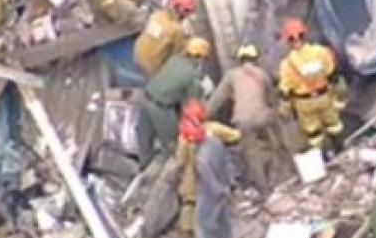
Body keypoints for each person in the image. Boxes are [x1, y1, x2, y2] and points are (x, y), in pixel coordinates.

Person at [207, 43, 282, 192]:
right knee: (274, 143)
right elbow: (271, 100)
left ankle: (264, 189)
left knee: (251, 153)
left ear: (240, 60)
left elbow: (217, 100)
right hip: (263, 117)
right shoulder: (262, 74)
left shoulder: (231, 76)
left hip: (244, 121)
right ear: (255, 59)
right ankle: (278, 176)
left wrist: (202, 115)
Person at [175, 101, 241, 238]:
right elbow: (234, 137)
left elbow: (181, 161)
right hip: (220, 182)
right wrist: (229, 185)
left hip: (204, 185)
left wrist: (219, 190)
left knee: (202, 225)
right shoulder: (215, 134)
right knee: (222, 218)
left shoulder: (193, 148)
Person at [137, 37, 210, 167]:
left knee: (144, 144)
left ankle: (142, 171)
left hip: (145, 99)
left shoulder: (174, 59)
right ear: (200, 57)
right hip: (161, 108)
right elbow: (191, 107)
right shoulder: (192, 75)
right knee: (173, 146)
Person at [276, 18, 347, 150]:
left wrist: (285, 110)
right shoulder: (321, 52)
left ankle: (323, 159)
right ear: (304, 35)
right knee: (334, 125)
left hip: (304, 103)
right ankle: (340, 149)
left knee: (313, 133)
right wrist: (340, 96)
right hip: (324, 96)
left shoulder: (286, 64)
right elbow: (333, 75)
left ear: (288, 41)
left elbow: (285, 91)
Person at [133, 0, 195, 78]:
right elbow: (179, 53)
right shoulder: (177, 30)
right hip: (151, 67)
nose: (187, 14)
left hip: (137, 54)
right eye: (187, 11)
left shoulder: (157, 15)